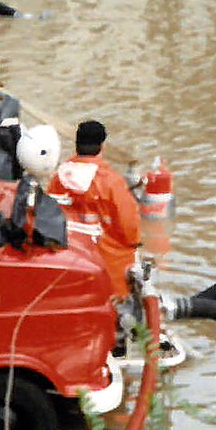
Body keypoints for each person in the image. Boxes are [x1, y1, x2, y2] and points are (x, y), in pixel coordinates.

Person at [48, 120, 142, 303]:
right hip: (106, 265)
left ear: (76, 145)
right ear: (102, 146)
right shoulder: (111, 182)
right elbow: (129, 226)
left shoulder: (59, 176)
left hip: (68, 258)